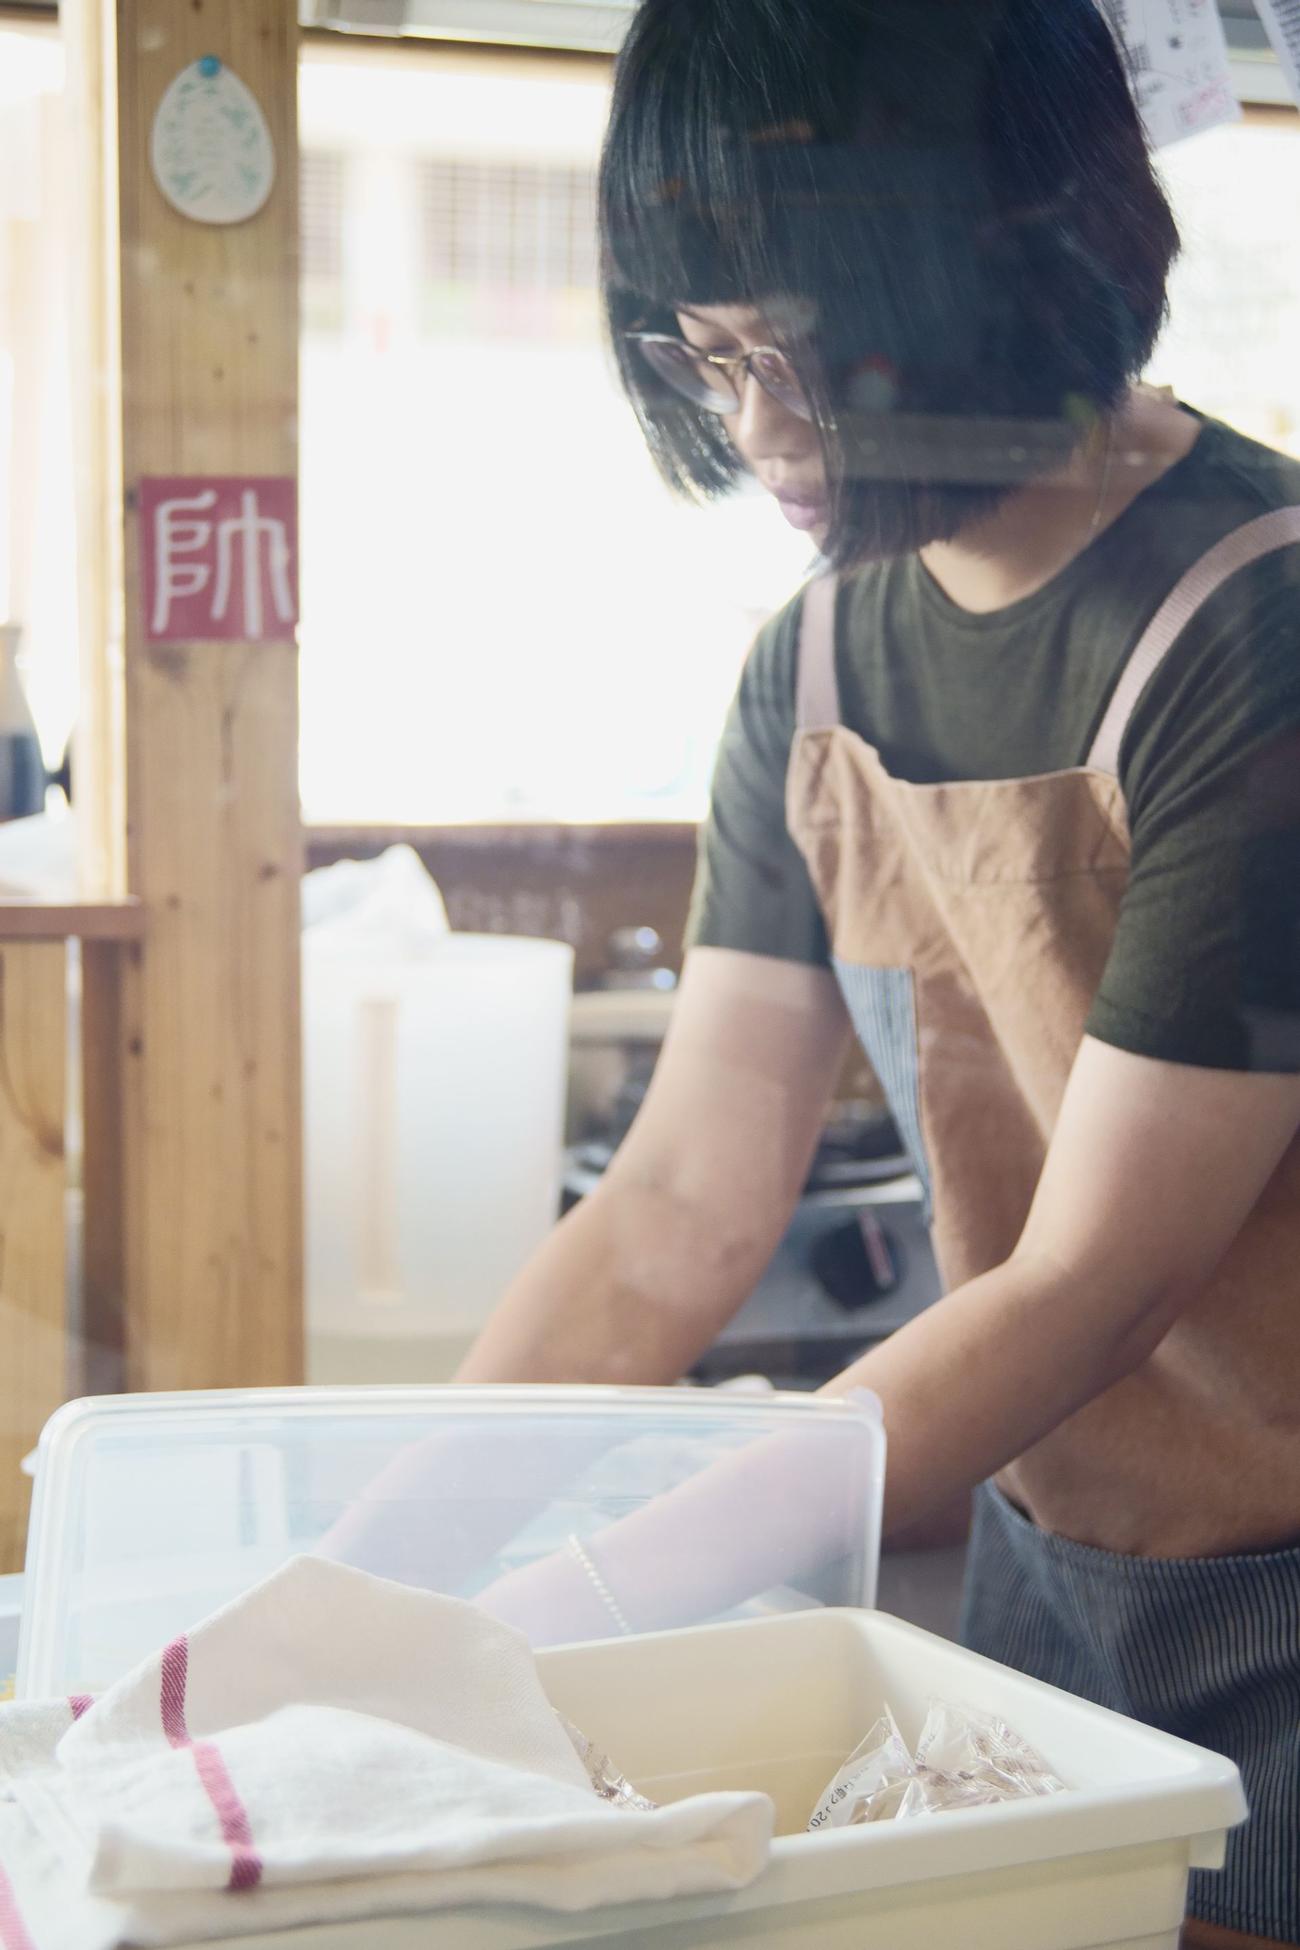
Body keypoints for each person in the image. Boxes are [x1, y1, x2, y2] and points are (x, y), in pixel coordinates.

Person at [455, 4, 1300, 1943]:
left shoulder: (1253, 639)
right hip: (1042, 1565)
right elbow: (672, 1206)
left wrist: (561, 1615)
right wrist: (395, 1557)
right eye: (710, 358)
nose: (757, 436)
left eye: (803, 358)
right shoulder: (814, 666)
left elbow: (1099, 1277)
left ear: (1007, 264)